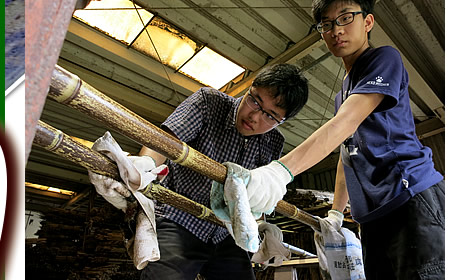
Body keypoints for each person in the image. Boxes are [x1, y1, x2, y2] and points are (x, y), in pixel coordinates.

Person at [233, 1, 445, 279]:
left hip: (409, 197)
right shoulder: (343, 93)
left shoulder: (383, 59)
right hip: (372, 218)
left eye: (345, 18)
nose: (336, 30)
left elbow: (345, 122)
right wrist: (335, 213)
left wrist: (279, 172)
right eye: (327, 24)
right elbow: (347, 153)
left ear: (367, 22)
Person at [93, 63, 308, 279]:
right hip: (180, 219)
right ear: (249, 88)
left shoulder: (273, 141)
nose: (254, 117)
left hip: (226, 231)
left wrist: (259, 224)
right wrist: (144, 165)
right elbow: (164, 142)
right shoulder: (209, 103)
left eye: (270, 116)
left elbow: (258, 193)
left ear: (282, 121)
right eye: (254, 100)